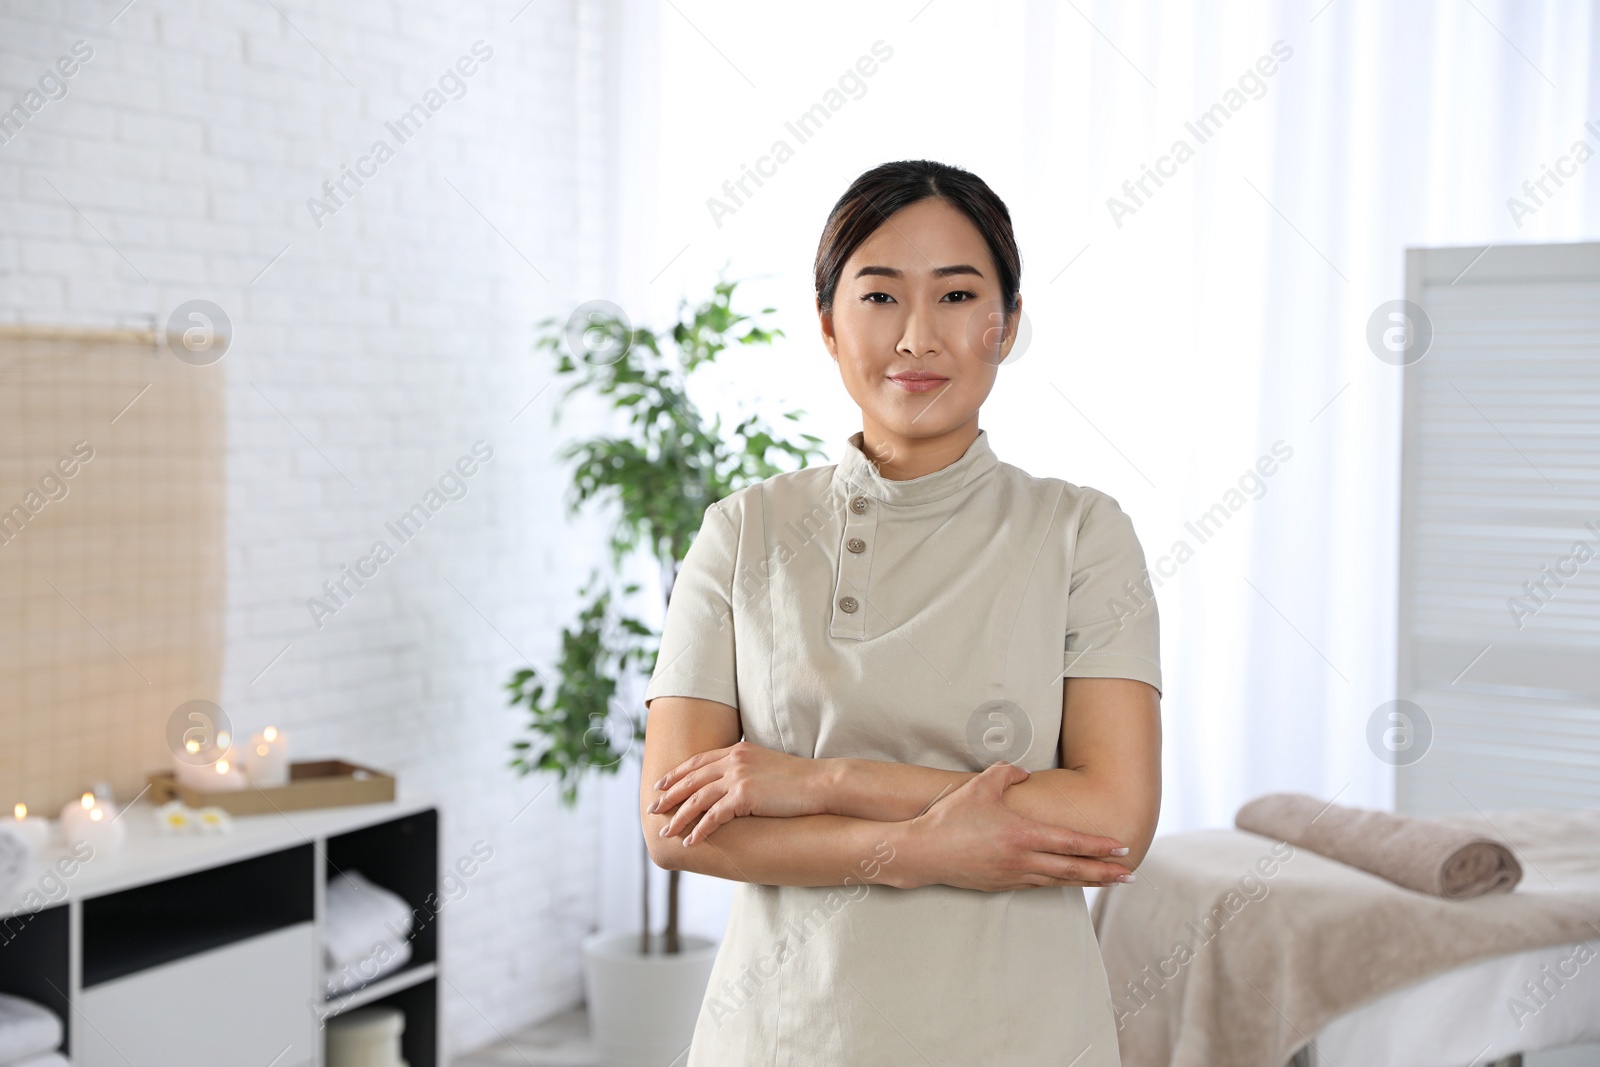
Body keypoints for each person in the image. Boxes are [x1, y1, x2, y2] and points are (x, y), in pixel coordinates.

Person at [639, 159, 1163, 1065]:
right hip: (784, 1035)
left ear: (1005, 325)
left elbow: (1112, 818)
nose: (917, 336)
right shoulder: (743, 532)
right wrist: (921, 850)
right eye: (879, 296)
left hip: (1019, 1036)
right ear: (828, 327)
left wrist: (818, 782)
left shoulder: (1083, 532)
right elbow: (673, 822)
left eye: (957, 294)